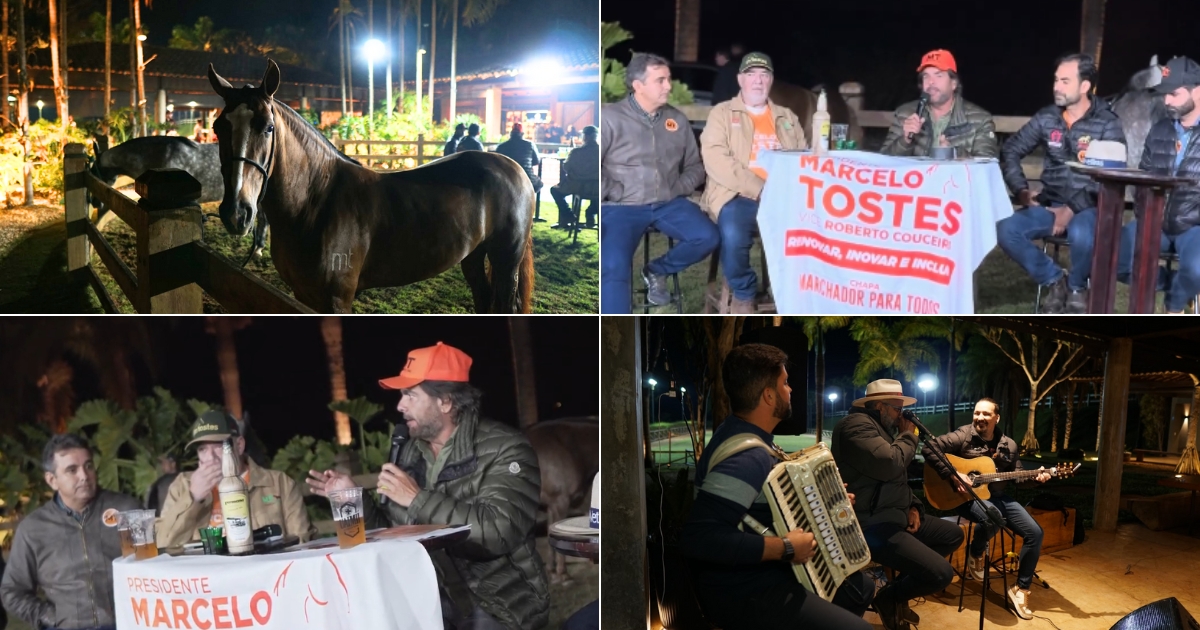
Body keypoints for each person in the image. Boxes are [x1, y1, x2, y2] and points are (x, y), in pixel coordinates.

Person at [306, 341, 549, 630]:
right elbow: (391, 533)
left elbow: (498, 532)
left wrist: (418, 499)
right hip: (433, 602)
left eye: (410, 395)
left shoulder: (506, 449)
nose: (399, 406)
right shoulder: (410, 452)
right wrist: (351, 499)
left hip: (501, 606)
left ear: (445, 401)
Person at [680, 344, 873, 630]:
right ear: (768, 396)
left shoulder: (740, 431)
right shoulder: (748, 456)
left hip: (760, 575)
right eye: (785, 383)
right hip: (744, 589)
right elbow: (699, 538)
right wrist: (784, 548)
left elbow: (769, 504)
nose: (790, 389)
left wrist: (828, 500)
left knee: (860, 588)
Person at [831, 379, 965, 630]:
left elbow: (897, 480)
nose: (901, 416)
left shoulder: (880, 429)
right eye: (896, 409)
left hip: (894, 515)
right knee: (941, 574)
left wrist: (914, 507)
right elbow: (889, 464)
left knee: (952, 534)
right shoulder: (855, 426)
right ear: (880, 406)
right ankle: (890, 598)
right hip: (872, 524)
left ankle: (895, 596)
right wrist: (907, 435)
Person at [998, 53, 1124, 314]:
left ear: (1085, 86)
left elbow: (1112, 177)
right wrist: (1020, 190)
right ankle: (1056, 280)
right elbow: (1010, 150)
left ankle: (1078, 288)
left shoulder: (1108, 123)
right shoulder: (1047, 118)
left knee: (1082, 234)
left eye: (1065, 81)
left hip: (1089, 206)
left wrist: (1071, 209)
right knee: (1006, 230)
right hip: (1049, 203)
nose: (1057, 87)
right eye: (1056, 80)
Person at [601, 52, 719, 313]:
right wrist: (613, 191)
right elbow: (592, 168)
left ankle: (657, 270)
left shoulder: (676, 120)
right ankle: (615, 330)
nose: (668, 86)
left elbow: (695, 166)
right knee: (613, 267)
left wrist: (678, 188)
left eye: (669, 79)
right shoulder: (609, 117)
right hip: (622, 208)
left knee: (707, 236)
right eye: (660, 80)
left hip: (668, 204)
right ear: (638, 85)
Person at [921, 398, 1050, 620]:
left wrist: (1036, 478)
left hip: (998, 497)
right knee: (994, 517)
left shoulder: (1009, 445)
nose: (980, 417)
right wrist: (953, 474)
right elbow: (929, 447)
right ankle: (976, 552)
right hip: (965, 498)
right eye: (977, 413)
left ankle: (1021, 589)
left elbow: (1018, 477)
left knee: (1035, 533)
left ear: (996, 418)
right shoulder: (963, 435)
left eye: (986, 414)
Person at [701, 52, 807, 313]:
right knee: (734, 233)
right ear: (740, 80)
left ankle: (790, 290)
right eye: (751, 75)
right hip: (737, 195)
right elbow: (715, 159)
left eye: (764, 75)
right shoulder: (722, 113)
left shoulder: (786, 117)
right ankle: (744, 292)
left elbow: (802, 157)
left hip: (781, 196)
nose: (757, 81)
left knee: (810, 232)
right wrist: (759, 188)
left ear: (771, 81)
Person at [1, 433, 140, 630]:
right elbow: (12, 591)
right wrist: (50, 618)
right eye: (72, 470)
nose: (84, 476)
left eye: (89, 466)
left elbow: (150, 566)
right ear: (52, 480)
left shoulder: (126, 509)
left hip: (127, 624)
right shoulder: (33, 529)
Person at [157, 410, 316, 547]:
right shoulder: (183, 486)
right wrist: (193, 497)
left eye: (219, 446)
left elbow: (302, 542)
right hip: (208, 577)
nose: (210, 457)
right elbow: (162, 545)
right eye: (202, 449)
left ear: (239, 445)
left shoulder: (279, 484)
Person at [1118, 56, 1200, 313]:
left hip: (1194, 226)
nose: (1166, 101)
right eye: (1164, 94)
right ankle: (1176, 285)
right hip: (1155, 222)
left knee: (1197, 269)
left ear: (1197, 92)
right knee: (1115, 260)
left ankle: (1173, 307)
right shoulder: (1160, 129)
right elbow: (1144, 178)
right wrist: (1144, 216)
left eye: (1173, 94)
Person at [881, 49, 998, 159]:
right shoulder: (905, 114)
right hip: (919, 180)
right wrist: (905, 140)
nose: (930, 82)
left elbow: (986, 165)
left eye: (938, 75)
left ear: (954, 83)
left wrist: (953, 154)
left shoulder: (980, 119)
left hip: (956, 180)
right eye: (926, 76)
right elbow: (884, 161)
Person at [551, 125, 599, 229]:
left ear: (585, 137)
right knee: (599, 197)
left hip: (577, 186)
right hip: (597, 188)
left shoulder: (576, 152)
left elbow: (566, 167)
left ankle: (569, 215)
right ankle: (590, 213)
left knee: (554, 190)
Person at [494, 122, 542, 191]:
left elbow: (496, 162)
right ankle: (532, 200)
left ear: (511, 133)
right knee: (539, 184)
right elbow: (537, 161)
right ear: (522, 133)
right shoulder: (530, 144)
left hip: (506, 178)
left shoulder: (502, 146)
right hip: (527, 178)